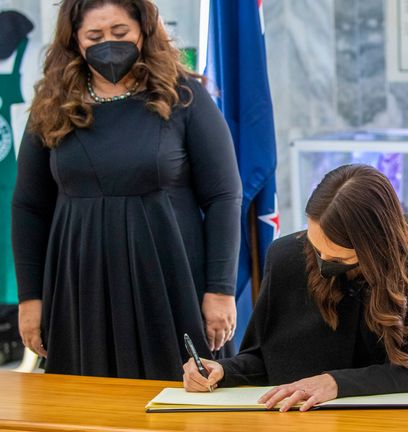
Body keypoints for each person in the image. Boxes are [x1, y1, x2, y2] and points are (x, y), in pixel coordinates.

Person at [12, 0, 241, 380]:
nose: (109, 44)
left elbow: (223, 197)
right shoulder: (52, 105)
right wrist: (30, 298)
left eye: (120, 34)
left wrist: (220, 290)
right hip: (80, 286)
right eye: (95, 36)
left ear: (144, 32)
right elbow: (28, 206)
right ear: (75, 42)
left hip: (171, 281)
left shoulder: (184, 97)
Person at [183, 164, 408, 411]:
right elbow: (268, 358)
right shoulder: (287, 257)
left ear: (375, 246)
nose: (322, 264)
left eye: (339, 259)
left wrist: (336, 383)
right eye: (316, 246)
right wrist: (223, 371)